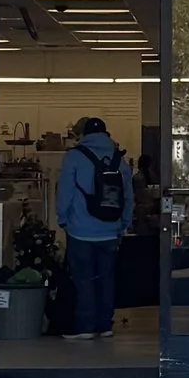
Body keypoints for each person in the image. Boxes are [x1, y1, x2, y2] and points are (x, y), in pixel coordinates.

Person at [54, 112, 135, 338]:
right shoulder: (120, 159)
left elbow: (66, 193)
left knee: (83, 279)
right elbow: (128, 197)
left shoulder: (74, 157)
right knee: (107, 278)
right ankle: (105, 325)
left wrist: (63, 219)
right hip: (111, 231)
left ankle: (85, 326)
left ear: (83, 134)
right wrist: (123, 224)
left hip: (80, 230)